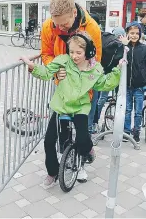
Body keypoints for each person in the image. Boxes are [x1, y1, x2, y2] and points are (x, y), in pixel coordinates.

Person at [21, 32, 121, 186]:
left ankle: (87, 151)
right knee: (48, 141)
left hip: (80, 108)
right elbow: (47, 73)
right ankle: (52, 172)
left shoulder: (95, 69)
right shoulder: (63, 61)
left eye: (78, 53)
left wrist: (118, 70)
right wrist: (32, 67)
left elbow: (104, 84)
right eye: (71, 52)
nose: (74, 56)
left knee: (82, 139)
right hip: (61, 107)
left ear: (88, 52)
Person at [40, 0, 102, 134]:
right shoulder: (48, 27)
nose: (61, 28)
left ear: (74, 13)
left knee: (84, 129)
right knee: (63, 127)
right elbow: (47, 54)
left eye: (65, 24)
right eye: (57, 24)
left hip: (86, 84)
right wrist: (56, 70)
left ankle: (85, 150)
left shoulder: (92, 28)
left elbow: (94, 61)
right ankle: (65, 150)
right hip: (63, 84)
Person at [120, 22, 146, 143]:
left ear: (140, 34)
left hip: (140, 85)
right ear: (127, 34)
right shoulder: (124, 47)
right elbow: (118, 60)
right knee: (127, 110)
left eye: (137, 33)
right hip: (127, 86)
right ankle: (126, 131)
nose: (134, 35)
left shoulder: (144, 48)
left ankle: (136, 132)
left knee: (138, 112)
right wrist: (122, 46)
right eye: (132, 33)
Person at [96, 27, 125, 125]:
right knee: (119, 98)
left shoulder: (107, 45)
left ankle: (96, 120)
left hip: (107, 74)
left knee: (102, 98)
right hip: (117, 76)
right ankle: (119, 121)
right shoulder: (123, 47)